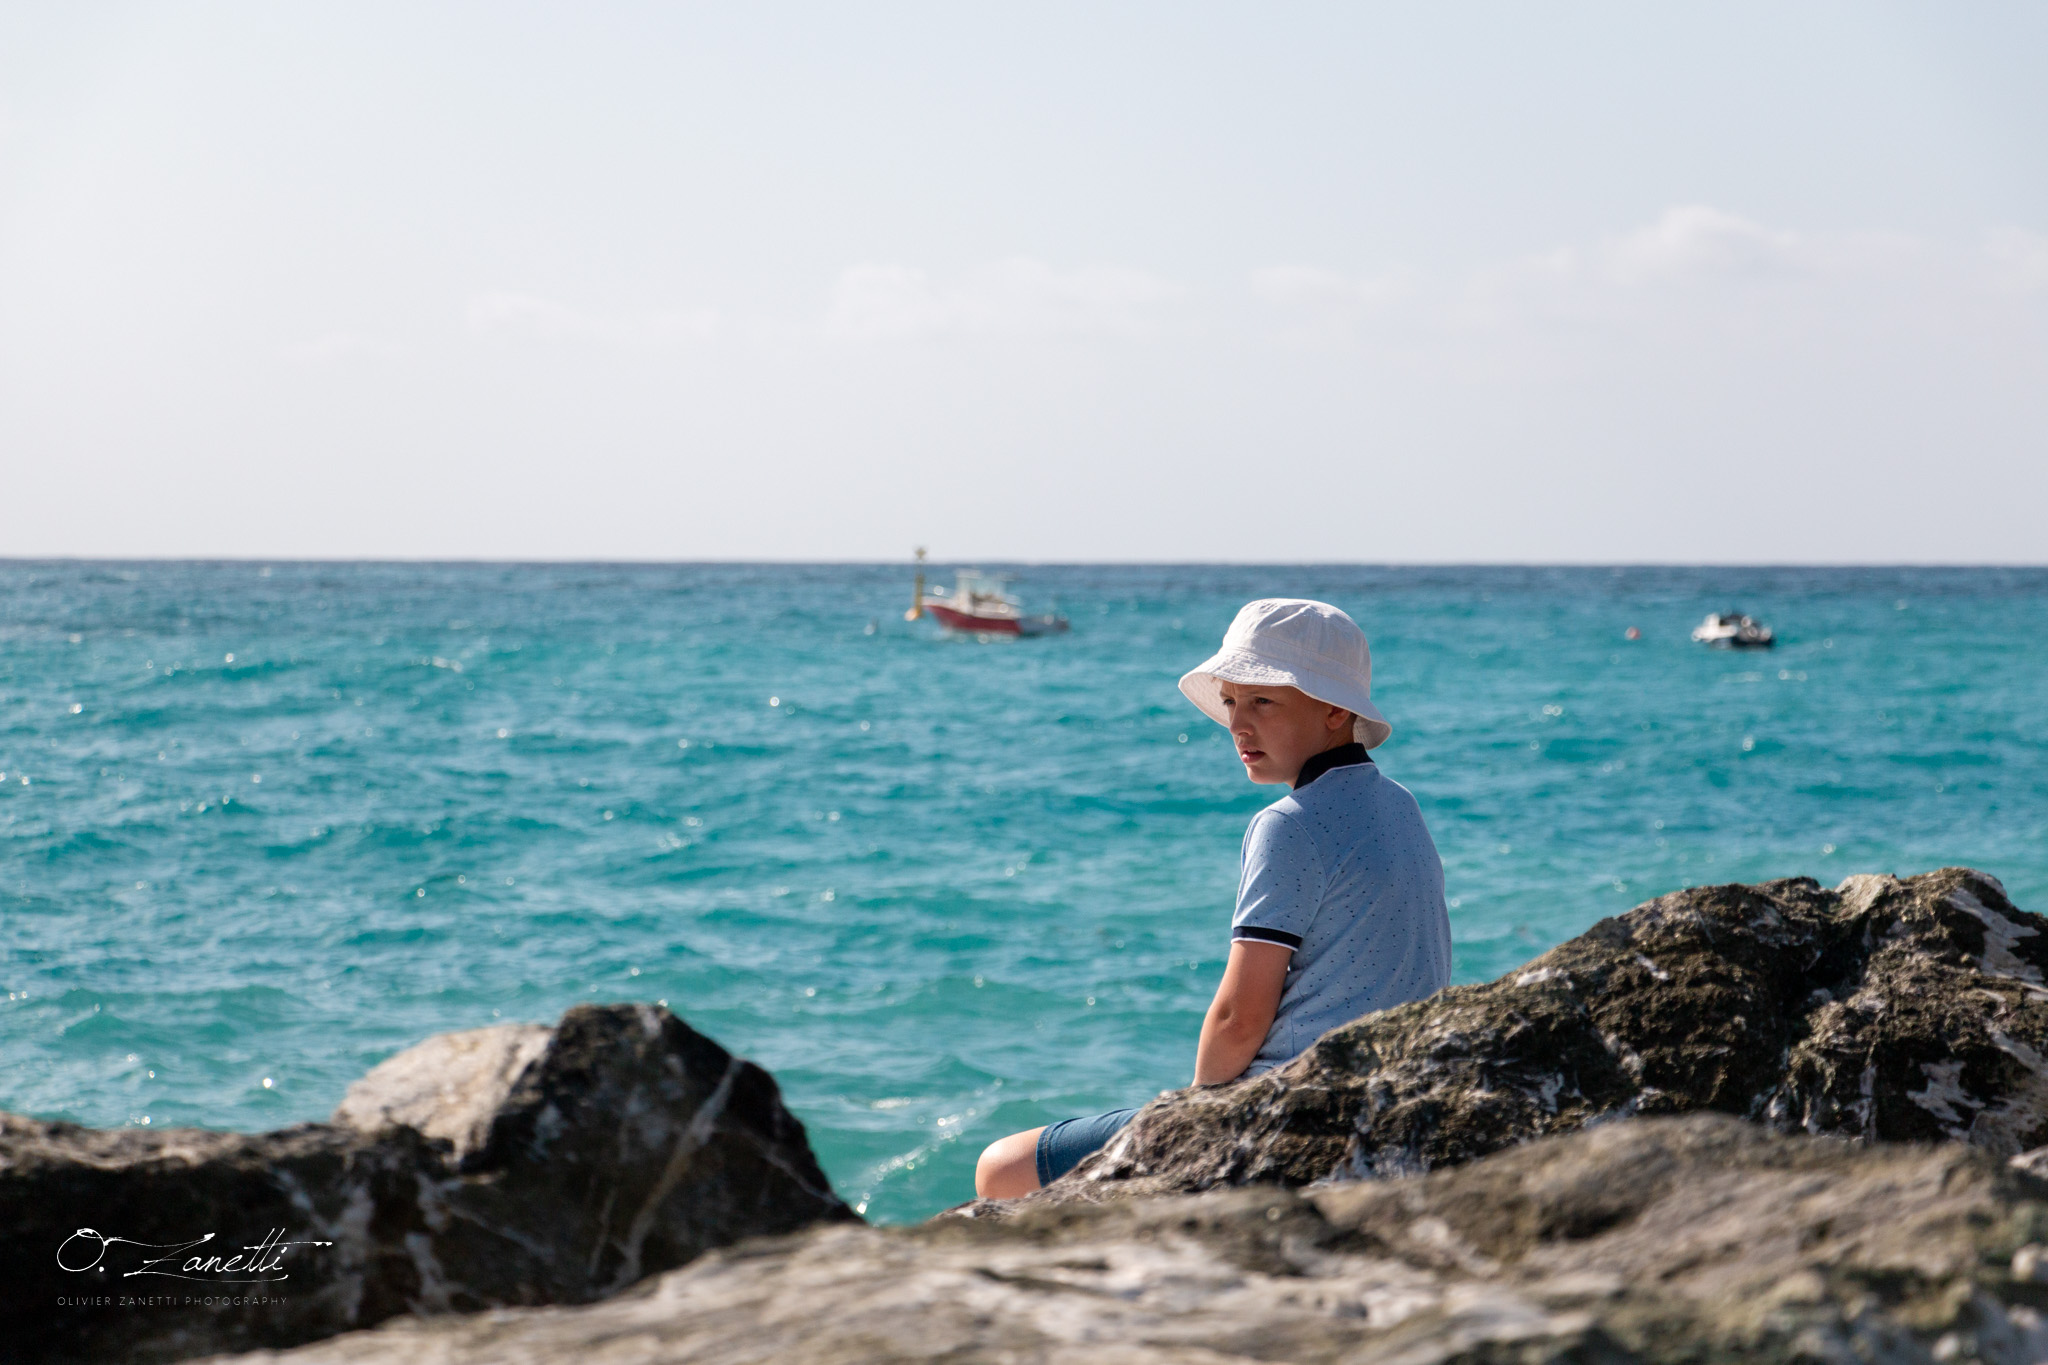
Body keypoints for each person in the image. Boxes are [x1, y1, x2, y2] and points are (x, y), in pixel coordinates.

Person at [973, 598, 1452, 1199]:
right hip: (1389, 1100)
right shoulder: (1400, 806)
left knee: (1002, 1165)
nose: (1238, 724)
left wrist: (1194, 1120)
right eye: (1231, 702)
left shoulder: (1290, 824)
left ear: (1334, 709)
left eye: (1262, 701)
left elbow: (1239, 1018)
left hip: (1285, 1113)